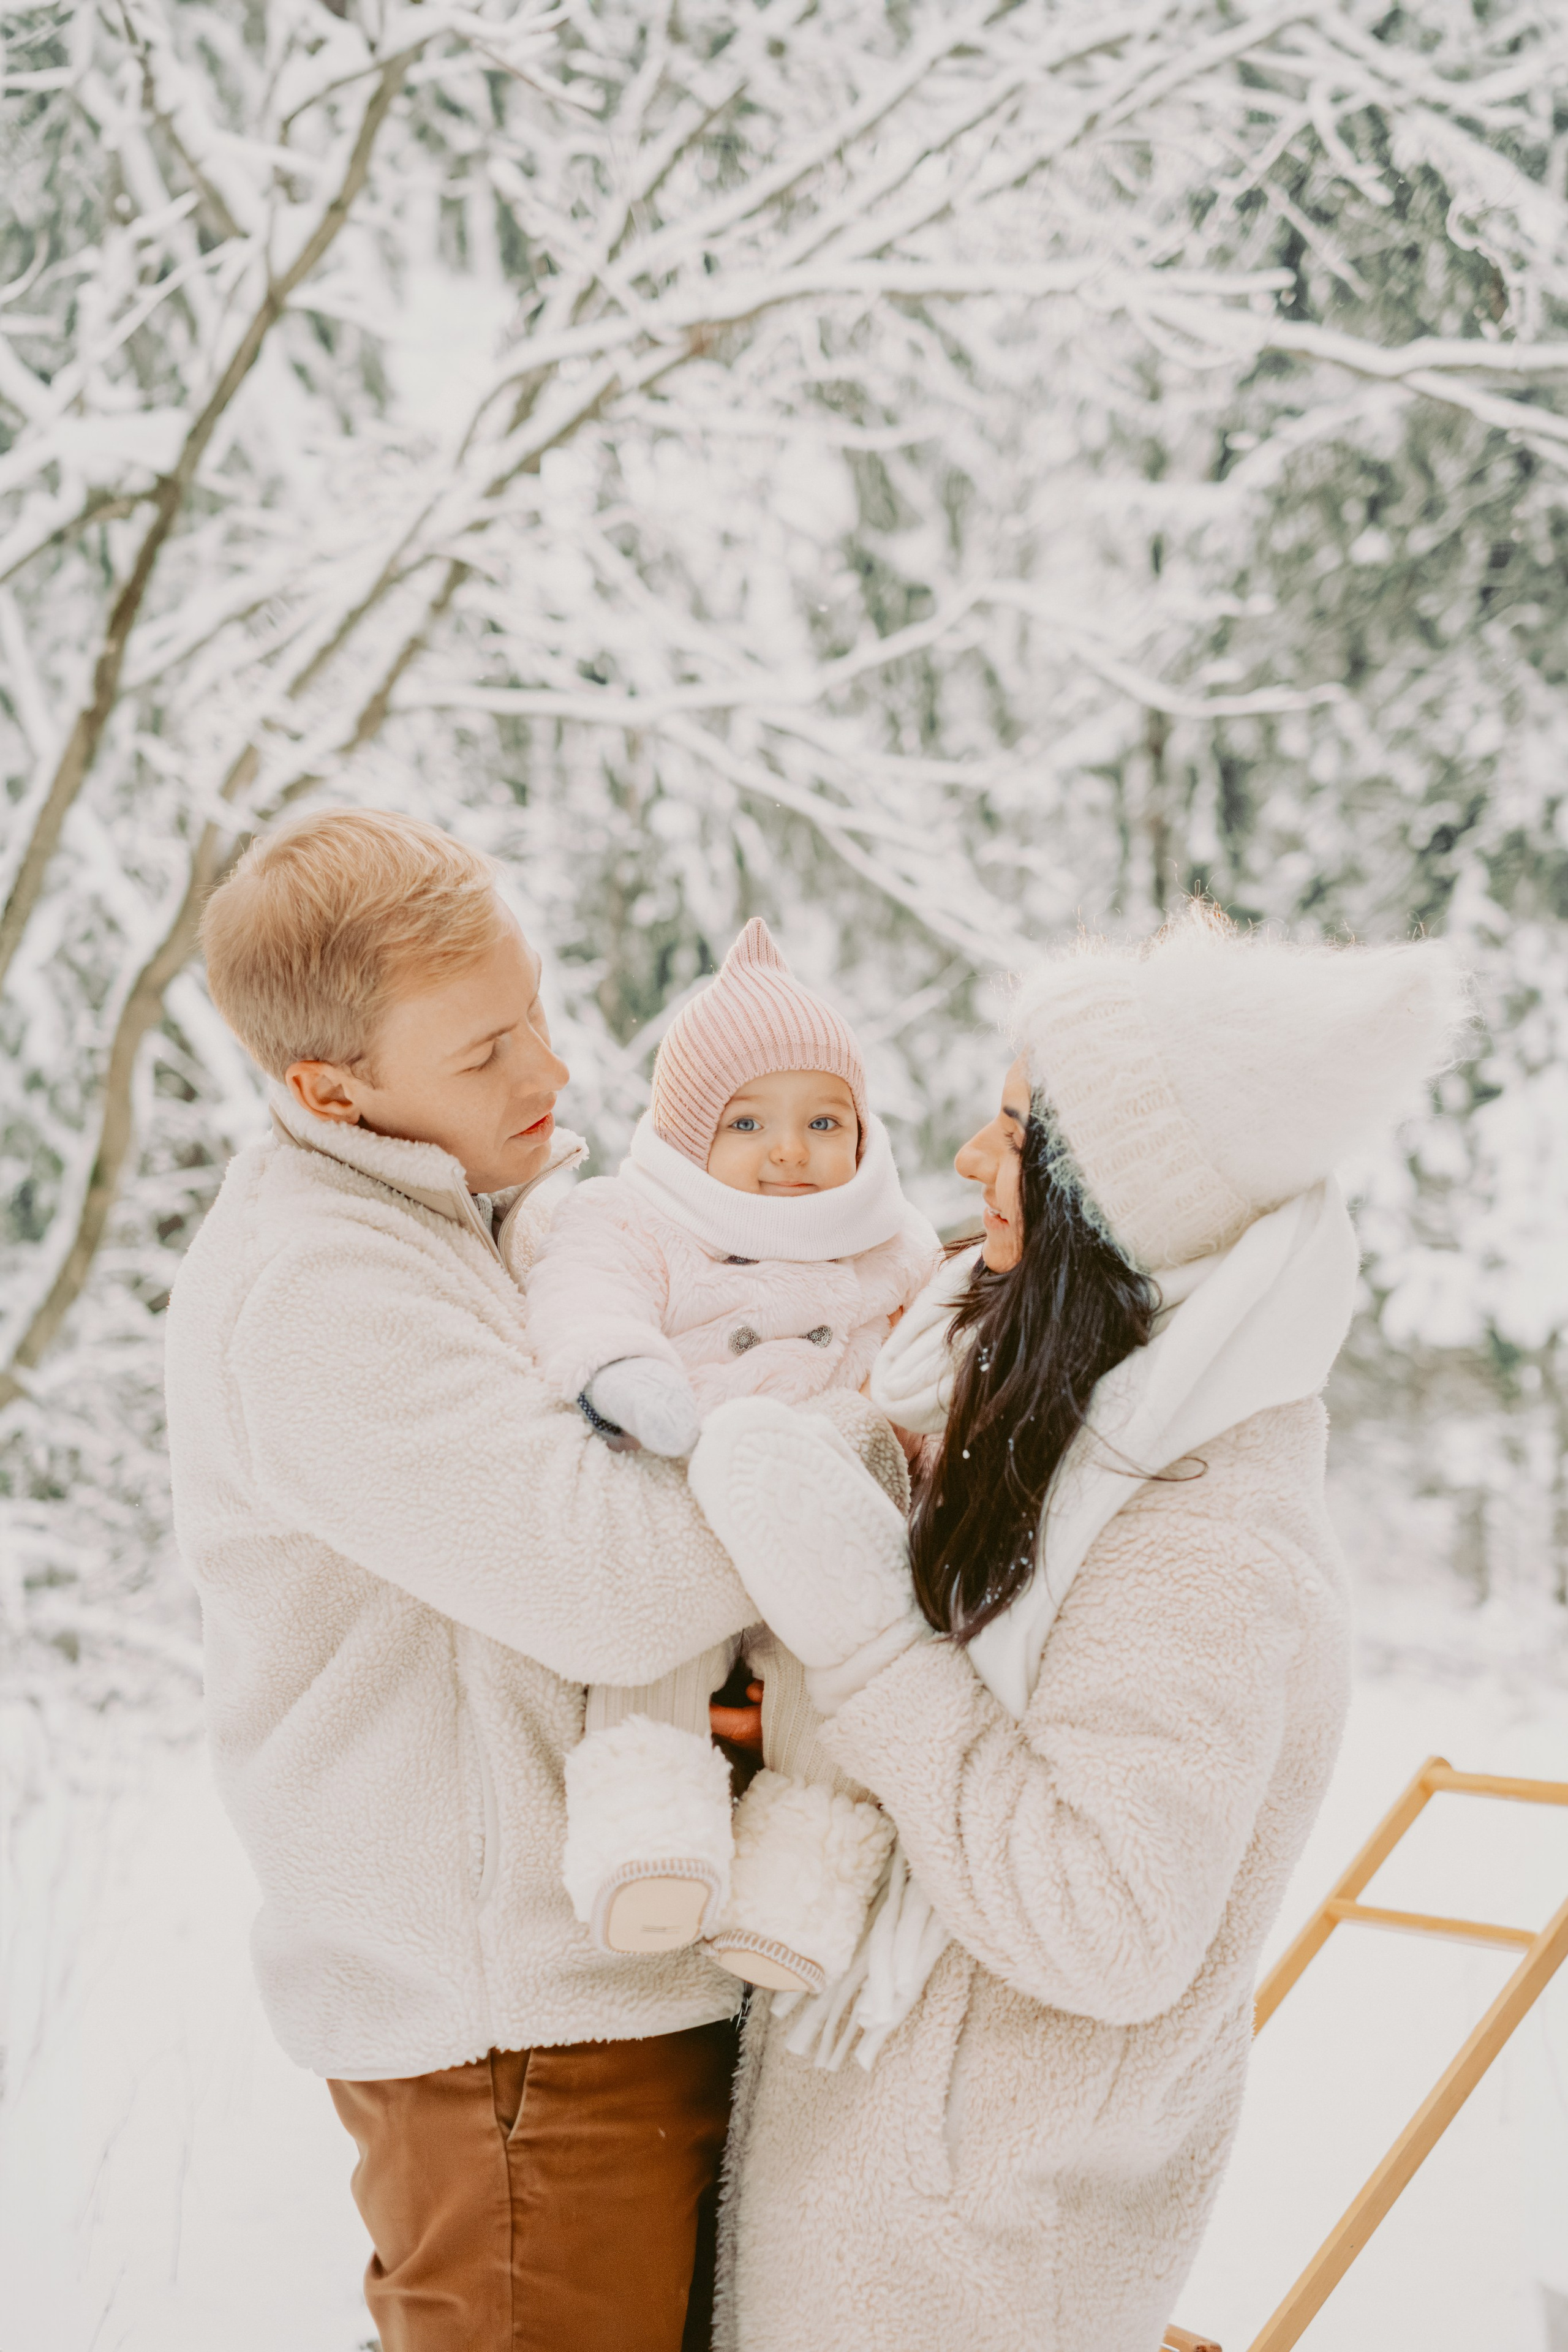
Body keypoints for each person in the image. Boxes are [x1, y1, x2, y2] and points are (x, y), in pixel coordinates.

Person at [687, 903, 1464, 2352]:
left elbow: (1106, 1926)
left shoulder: (1203, 1531)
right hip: (878, 2217)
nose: (971, 1160)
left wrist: (865, 1639)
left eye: (1010, 1136)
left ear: (1109, 1201)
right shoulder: (1029, 1409)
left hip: (970, 2270)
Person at [164, 808, 757, 2352]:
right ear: (328, 1088)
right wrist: (853, 1455)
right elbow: (615, 1583)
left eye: (538, 1013)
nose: (550, 1074)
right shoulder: (323, 1286)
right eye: (486, 1049)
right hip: (513, 2035)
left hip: (589, 1996)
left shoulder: (464, 1222)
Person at [527, 917, 938, 1996]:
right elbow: (584, 1292)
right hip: (689, 1508)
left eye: (823, 1120)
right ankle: (647, 1841)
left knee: (840, 1696)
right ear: (684, 1131)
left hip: (831, 1540)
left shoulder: (893, 1246)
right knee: (652, 1655)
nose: (790, 1149)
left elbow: (934, 1358)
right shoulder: (637, 1219)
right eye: (747, 1120)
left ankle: (799, 1890)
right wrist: (624, 1370)